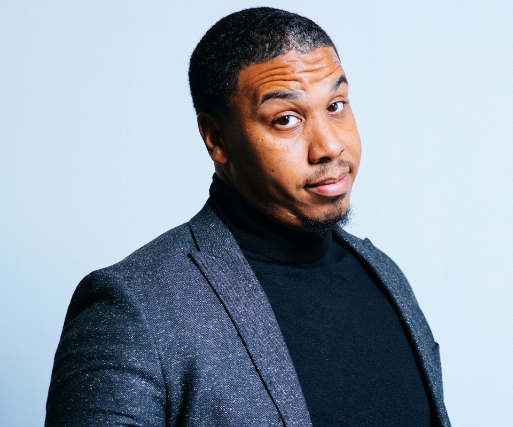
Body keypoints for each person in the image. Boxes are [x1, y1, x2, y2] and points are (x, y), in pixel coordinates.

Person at [45, 7, 451, 427]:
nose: (330, 146)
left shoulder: (384, 277)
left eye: (336, 105)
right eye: (286, 119)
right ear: (217, 139)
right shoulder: (133, 309)